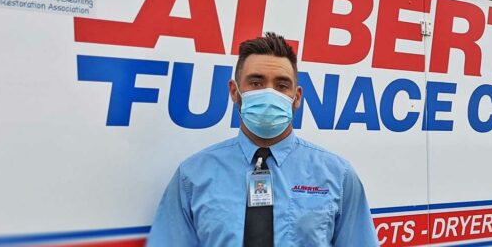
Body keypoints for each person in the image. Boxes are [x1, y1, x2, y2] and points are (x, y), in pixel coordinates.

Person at [147, 32, 379, 247]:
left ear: (296, 97)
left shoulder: (338, 175)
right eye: (256, 83)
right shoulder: (193, 176)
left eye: (281, 85)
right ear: (234, 91)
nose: (270, 94)